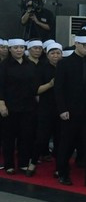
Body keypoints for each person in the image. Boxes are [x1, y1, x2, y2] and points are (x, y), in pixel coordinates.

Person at [54, 31, 86, 187]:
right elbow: (59, 89)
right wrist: (62, 109)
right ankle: (63, 173)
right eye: (85, 45)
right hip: (70, 111)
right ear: (76, 43)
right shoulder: (64, 63)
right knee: (66, 144)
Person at [0, 38, 39, 176]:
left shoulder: (30, 65)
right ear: (10, 49)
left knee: (26, 136)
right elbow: (1, 86)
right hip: (10, 107)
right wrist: (1, 103)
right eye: (15, 47)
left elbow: (35, 86)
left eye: (21, 47)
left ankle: (23, 163)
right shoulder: (4, 65)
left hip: (28, 106)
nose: (19, 50)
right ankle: (9, 164)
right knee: (9, 137)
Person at [34, 42, 61, 167]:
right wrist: (50, 84)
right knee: (42, 137)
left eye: (58, 53)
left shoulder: (65, 67)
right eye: (53, 53)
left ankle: (60, 166)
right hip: (46, 107)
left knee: (60, 138)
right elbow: (36, 90)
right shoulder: (41, 68)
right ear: (47, 55)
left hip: (61, 108)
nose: (55, 56)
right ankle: (33, 161)